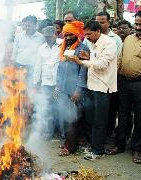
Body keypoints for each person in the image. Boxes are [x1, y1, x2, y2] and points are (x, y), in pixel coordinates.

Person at [106, 10, 141, 164]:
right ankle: (120, 145)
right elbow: (120, 59)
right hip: (123, 82)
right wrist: (115, 78)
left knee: (140, 117)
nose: (137, 27)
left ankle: (137, 149)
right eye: (136, 23)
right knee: (122, 115)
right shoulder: (128, 38)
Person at [72, 20, 117, 161]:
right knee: (90, 118)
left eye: (89, 34)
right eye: (85, 34)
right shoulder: (91, 42)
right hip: (91, 86)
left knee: (99, 121)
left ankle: (98, 151)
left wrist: (82, 62)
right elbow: (95, 59)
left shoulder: (109, 43)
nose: (87, 37)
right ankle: (93, 146)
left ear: (98, 31)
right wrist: (88, 57)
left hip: (103, 87)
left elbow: (102, 64)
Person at [55, 21, 89, 156]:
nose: (68, 38)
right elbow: (60, 68)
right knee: (65, 116)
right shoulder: (64, 47)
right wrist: (57, 86)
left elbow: (83, 70)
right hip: (63, 88)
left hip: (74, 89)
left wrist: (78, 89)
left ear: (76, 34)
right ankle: (68, 142)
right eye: (66, 35)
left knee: (72, 118)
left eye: (70, 35)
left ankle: (71, 147)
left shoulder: (82, 49)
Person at [32, 26, 60, 139]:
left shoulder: (61, 46)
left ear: (56, 35)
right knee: (47, 107)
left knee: (59, 108)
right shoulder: (41, 48)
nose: (48, 39)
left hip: (58, 83)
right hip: (46, 83)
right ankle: (48, 132)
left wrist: (59, 85)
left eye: (50, 36)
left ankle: (60, 132)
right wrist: (35, 82)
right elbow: (37, 66)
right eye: (46, 37)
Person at [12, 15, 44, 85]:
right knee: (17, 87)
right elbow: (14, 51)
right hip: (19, 65)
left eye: (29, 26)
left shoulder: (41, 38)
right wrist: (13, 64)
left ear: (35, 25)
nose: (27, 28)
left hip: (32, 68)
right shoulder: (19, 36)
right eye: (26, 25)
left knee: (29, 89)